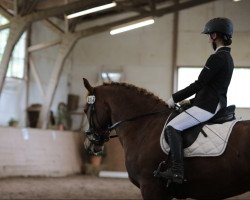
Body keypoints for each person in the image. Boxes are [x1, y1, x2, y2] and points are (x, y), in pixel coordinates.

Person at [158, 17, 234, 184]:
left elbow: (200, 84)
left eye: (209, 36)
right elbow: (213, 88)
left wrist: (174, 98)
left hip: (208, 106)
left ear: (215, 36)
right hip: (214, 103)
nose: (208, 40)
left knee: (172, 127)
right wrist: (191, 102)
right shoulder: (228, 58)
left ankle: (177, 171)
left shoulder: (217, 58)